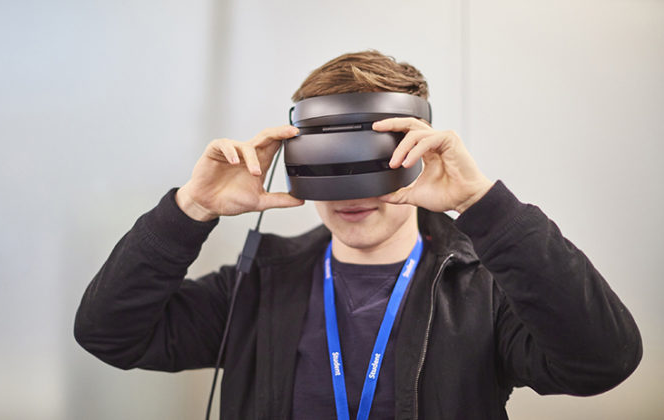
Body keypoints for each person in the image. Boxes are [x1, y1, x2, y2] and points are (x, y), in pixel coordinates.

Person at [74, 51, 642, 419]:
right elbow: (108, 334)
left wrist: (482, 205)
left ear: (416, 155)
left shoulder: (480, 290)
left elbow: (604, 360)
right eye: (330, 163)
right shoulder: (257, 284)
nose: (351, 193)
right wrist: (191, 208)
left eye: (371, 163)